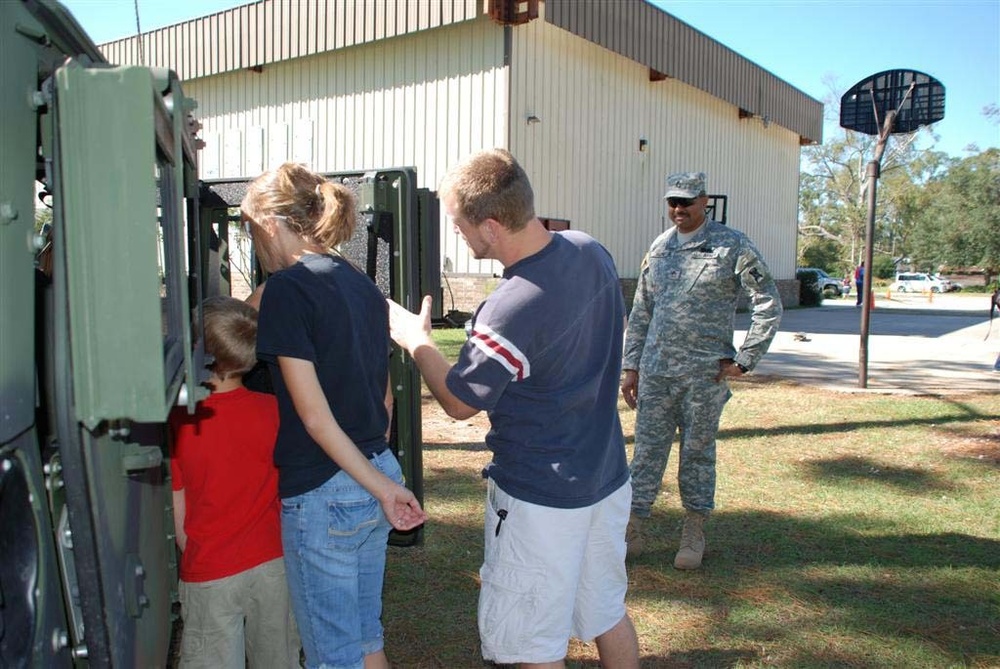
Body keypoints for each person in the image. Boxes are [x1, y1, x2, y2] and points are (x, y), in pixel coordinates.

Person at [388, 149, 640, 668]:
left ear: (492, 225)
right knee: (606, 611)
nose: (456, 233)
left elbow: (459, 402)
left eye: (459, 224)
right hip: (605, 478)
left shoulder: (508, 308)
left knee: (531, 646)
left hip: (540, 499)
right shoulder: (590, 250)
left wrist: (416, 342)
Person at [241, 163, 426, 669]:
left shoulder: (286, 290)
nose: (258, 245)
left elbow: (315, 418)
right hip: (375, 472)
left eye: (254, 232)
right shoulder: (360, 283)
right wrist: (381, 483)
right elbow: (384, 400)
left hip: (330, 491)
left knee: (332, 656)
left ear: (272, 223)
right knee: (366, 639)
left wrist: (380, 488)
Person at [621, 171, 782, 570]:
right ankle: (633, 529)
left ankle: (693, 531)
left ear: (705, 201)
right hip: (657, 372)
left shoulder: (731, 245)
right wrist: (630, 366)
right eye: (672, 202)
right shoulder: (659, 248)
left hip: (703, 374)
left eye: (687, 201)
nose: (679, 209)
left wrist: (746, 358)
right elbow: (641, 310)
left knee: (696, 453)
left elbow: (768, 303)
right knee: (646, 454)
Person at [169, 296, 299, 668]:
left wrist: (194, 551)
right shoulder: (274, 411)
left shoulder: (181, 421)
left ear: (198, 353)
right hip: (274, 562)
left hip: (210, 569)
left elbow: (178, 502)